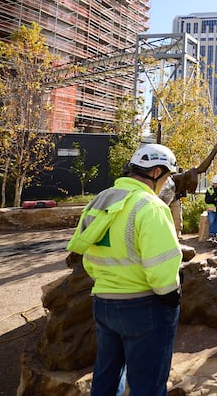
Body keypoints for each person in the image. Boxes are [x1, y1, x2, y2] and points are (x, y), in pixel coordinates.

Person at [66, 144, 182, 396]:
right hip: (143, 306)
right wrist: (172, 295)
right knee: (147, 385)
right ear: (156, 172)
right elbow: (162, 266)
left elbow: (87, 253)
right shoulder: (151, 206)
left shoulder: (102, 199)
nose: (167, 182)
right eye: (167, 176)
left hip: (103, 302)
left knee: (106, 376)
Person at [159, 135, 217, 239]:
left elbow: (200, 169)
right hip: (159, 206)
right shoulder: (161, 184)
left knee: (178, 219)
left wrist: (215, 151)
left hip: (174, 198)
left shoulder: (175, 177)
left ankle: (176, 238)